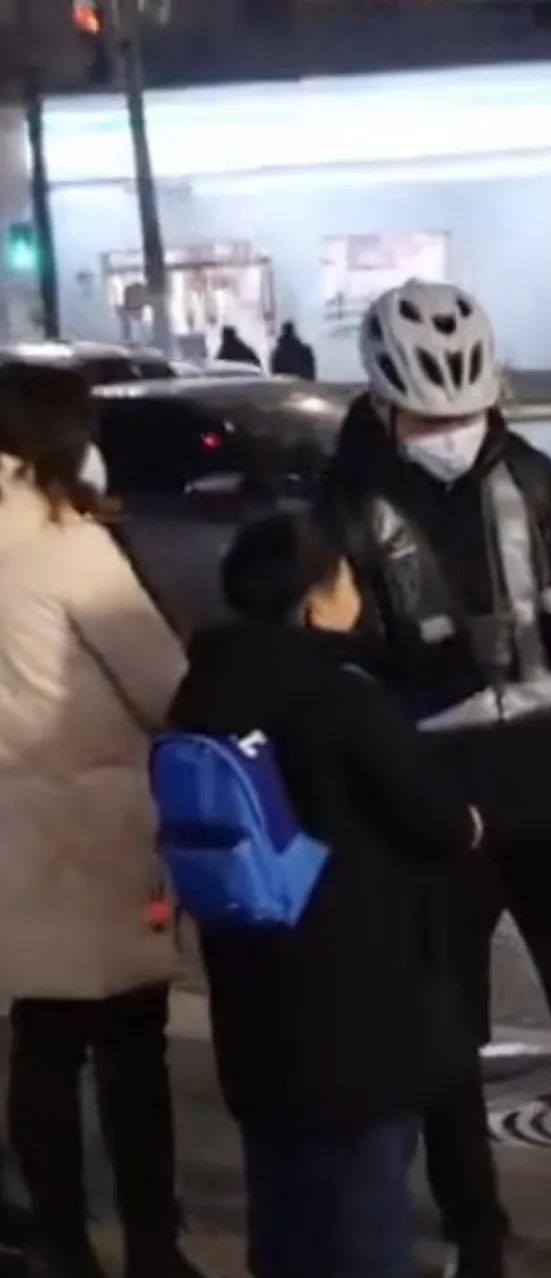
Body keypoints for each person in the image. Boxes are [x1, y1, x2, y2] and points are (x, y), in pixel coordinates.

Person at [322, 281, 551, 1278]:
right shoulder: (343, 502)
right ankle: (477, 1237)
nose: (454, 432)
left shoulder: (534, 477)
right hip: (436, 793)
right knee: (447, 1036)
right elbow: (331, 656)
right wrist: (412, 665)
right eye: (430, 416)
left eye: (470, 412)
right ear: (385, 402)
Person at [168, 511, 482, 1278]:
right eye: (346, 581)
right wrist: (471, 820)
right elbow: (435, 821)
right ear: (314, 602)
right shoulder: (340, 696)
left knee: (285, 1210)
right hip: (354, 1003)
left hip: (252, 990)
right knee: (361, 1220)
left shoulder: (202, 689)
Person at [0, 364, 202, 1278]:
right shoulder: (66, 544)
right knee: (132, 1053)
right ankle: (153, 1249)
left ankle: (63, 1247)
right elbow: (165, 686)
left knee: (41, 1047)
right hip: (99, 836)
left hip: (14, 836)